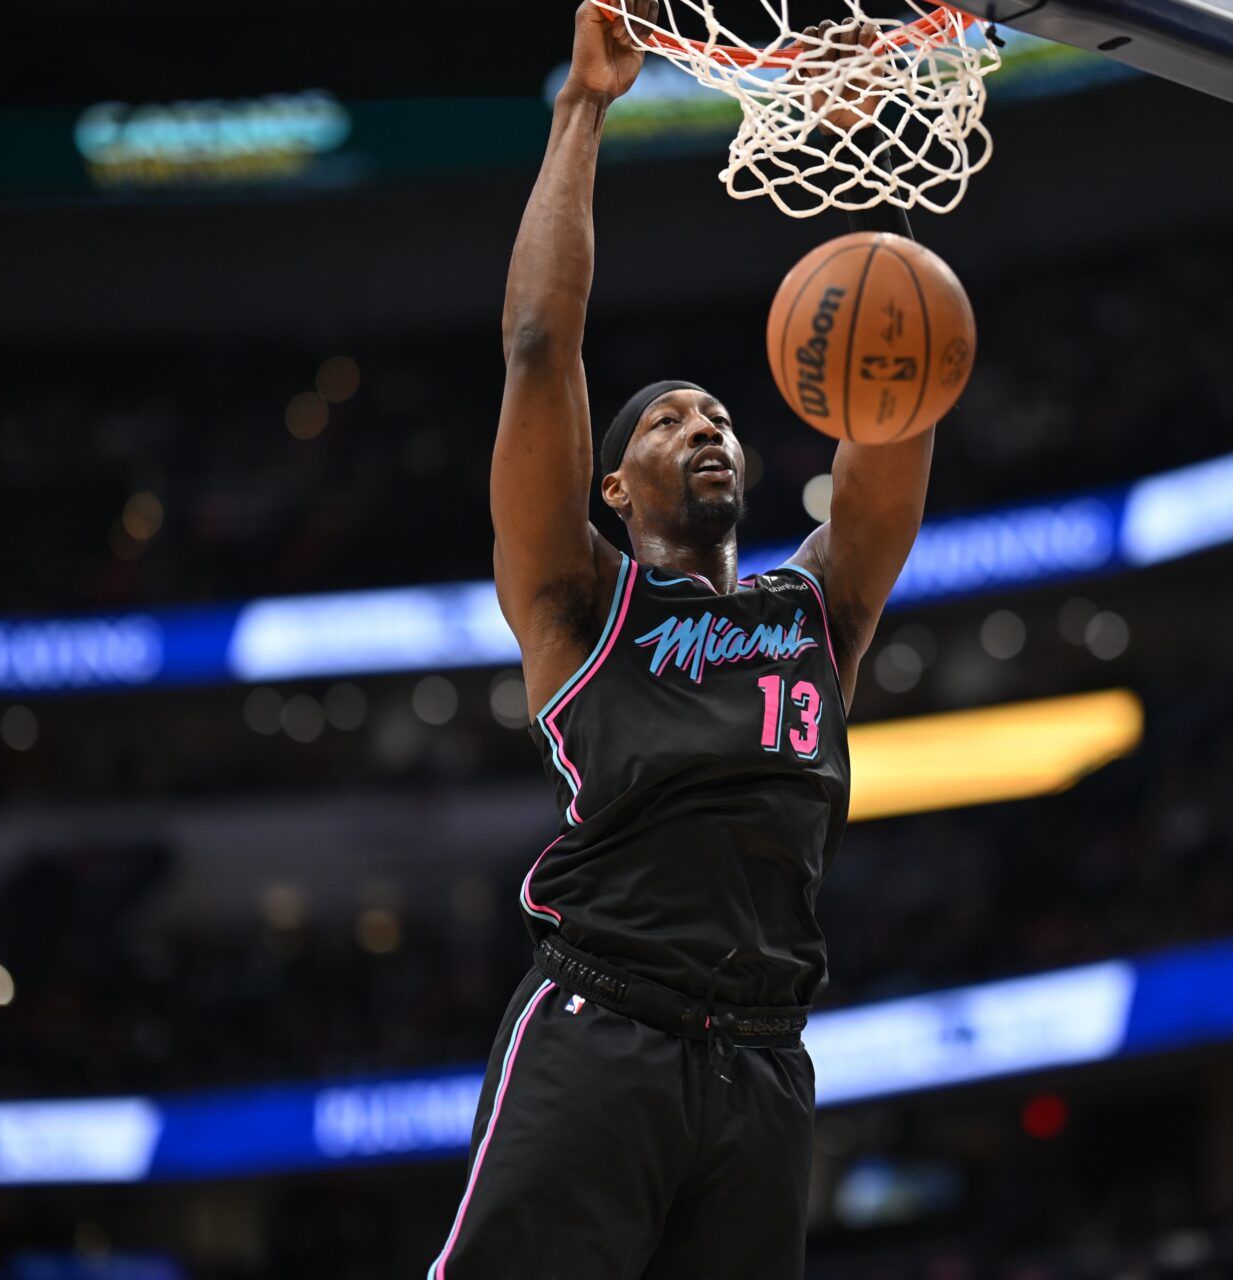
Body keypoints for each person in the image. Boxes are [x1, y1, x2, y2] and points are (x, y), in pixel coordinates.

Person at [427, 4, 935, 1275]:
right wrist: (584, 106)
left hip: (767, 1057)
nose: (705, 425)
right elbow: (541, 347)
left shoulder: (815, 608)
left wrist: (871, 178)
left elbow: (899, 387)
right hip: (605, 1021)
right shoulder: (579, 603)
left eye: (718, 414)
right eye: (667, 422)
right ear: (614, 489)